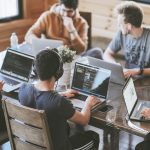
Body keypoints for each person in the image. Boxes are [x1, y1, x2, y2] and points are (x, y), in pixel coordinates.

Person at [18, 48, 100, 150]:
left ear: (36, 69)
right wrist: (88, 103)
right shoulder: (59, 102)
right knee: (93, 136)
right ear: (59, 72)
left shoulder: (23, 89)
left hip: (32, 145)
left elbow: (41, 98)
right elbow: (83, 120)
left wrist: (60, 94)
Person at [25, 0, 103, 58]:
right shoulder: (47, 16)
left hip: (71, 57)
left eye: (69, 11)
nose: (65, 14)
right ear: (59, 5)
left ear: (75, 10)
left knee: (97, 52)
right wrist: (39, 44)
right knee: (26, 50)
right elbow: (29, 35)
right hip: (49, 54)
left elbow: (81, 50)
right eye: (63, 10)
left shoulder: (82, 23)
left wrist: (72, 30)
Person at [103, 1, 150, 78]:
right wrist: (116, 66)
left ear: (129, 26)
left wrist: (138, 71)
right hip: (127, 78)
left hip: (146, 82)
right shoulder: (120, 34)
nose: (118, 26)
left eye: (120, 24)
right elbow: (107, 54)